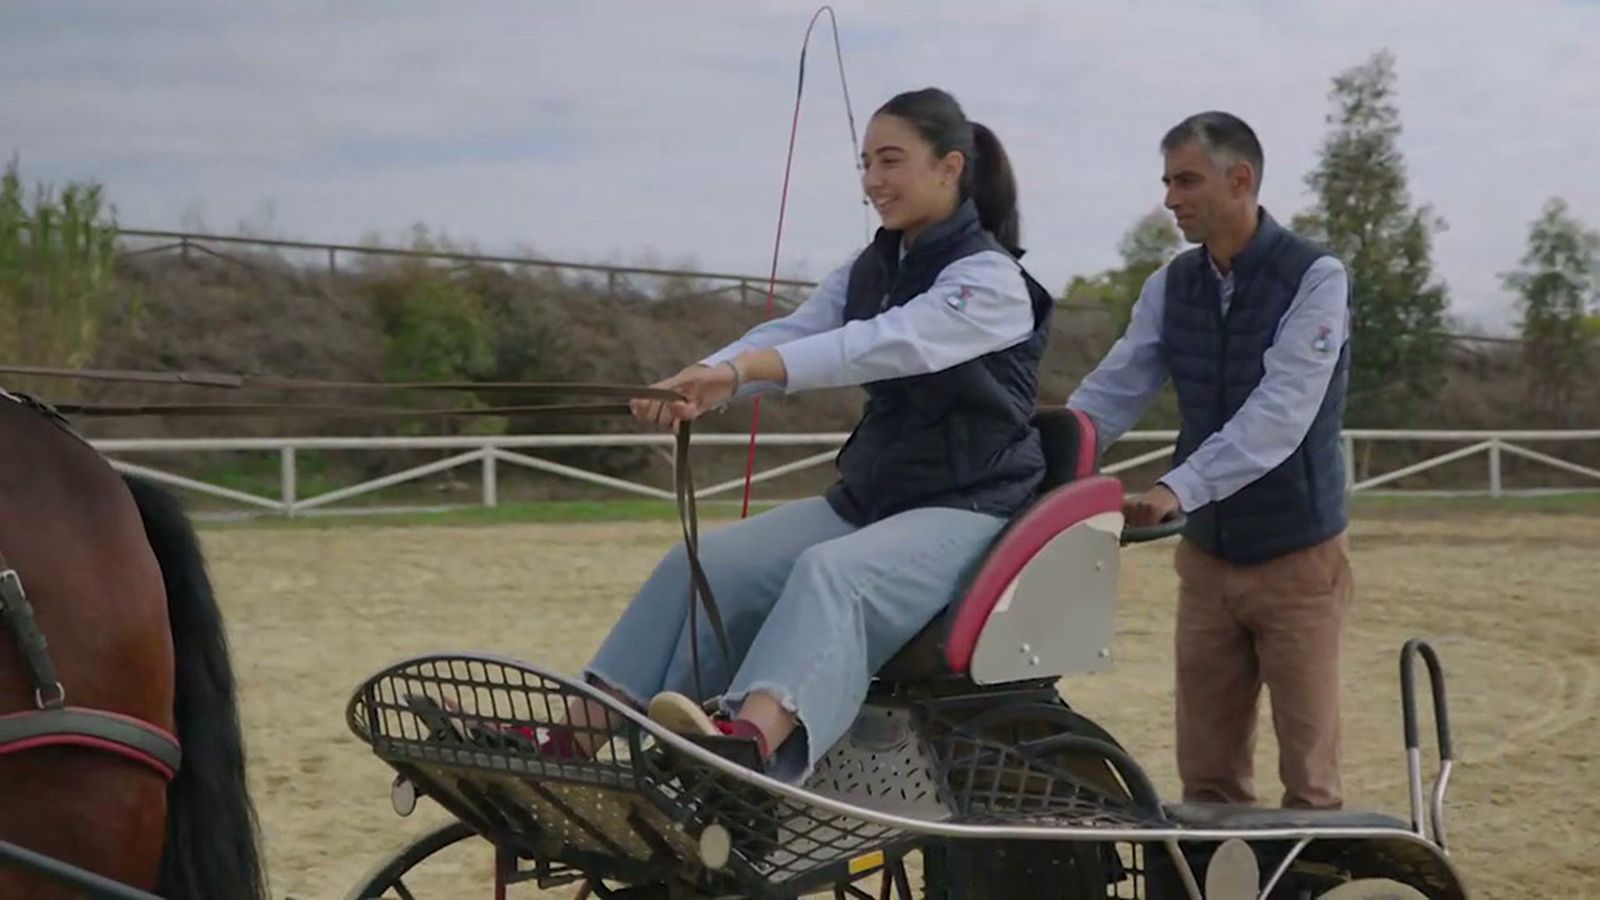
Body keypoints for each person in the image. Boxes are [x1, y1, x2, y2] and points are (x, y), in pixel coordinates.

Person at [541, 87, 1055, 784]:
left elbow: (875, 346)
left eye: (891, 160)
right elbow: (796, 332)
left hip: (968, 506)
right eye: (865, 163)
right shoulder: (872, 267)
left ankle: (750, 749)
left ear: (949, 167)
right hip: (875, 497)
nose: (873, 180)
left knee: (831, 575)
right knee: (702, 566)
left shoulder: (991, 283)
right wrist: (707, 374)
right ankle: (572, 744)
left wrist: (748, 370)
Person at [1067, 111, 1354, 809]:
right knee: (1207, 777)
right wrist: (1042, 459)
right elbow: (1115, 387)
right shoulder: (1170, 286)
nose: (1171, 198)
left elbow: (1281, 413)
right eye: (1167, 182)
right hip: (1205, 561)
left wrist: (1178, 487)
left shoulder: (1316, 278)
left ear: (1241, 179)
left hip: (1297, 560)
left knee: (1309, 782)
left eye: (1187, 180)